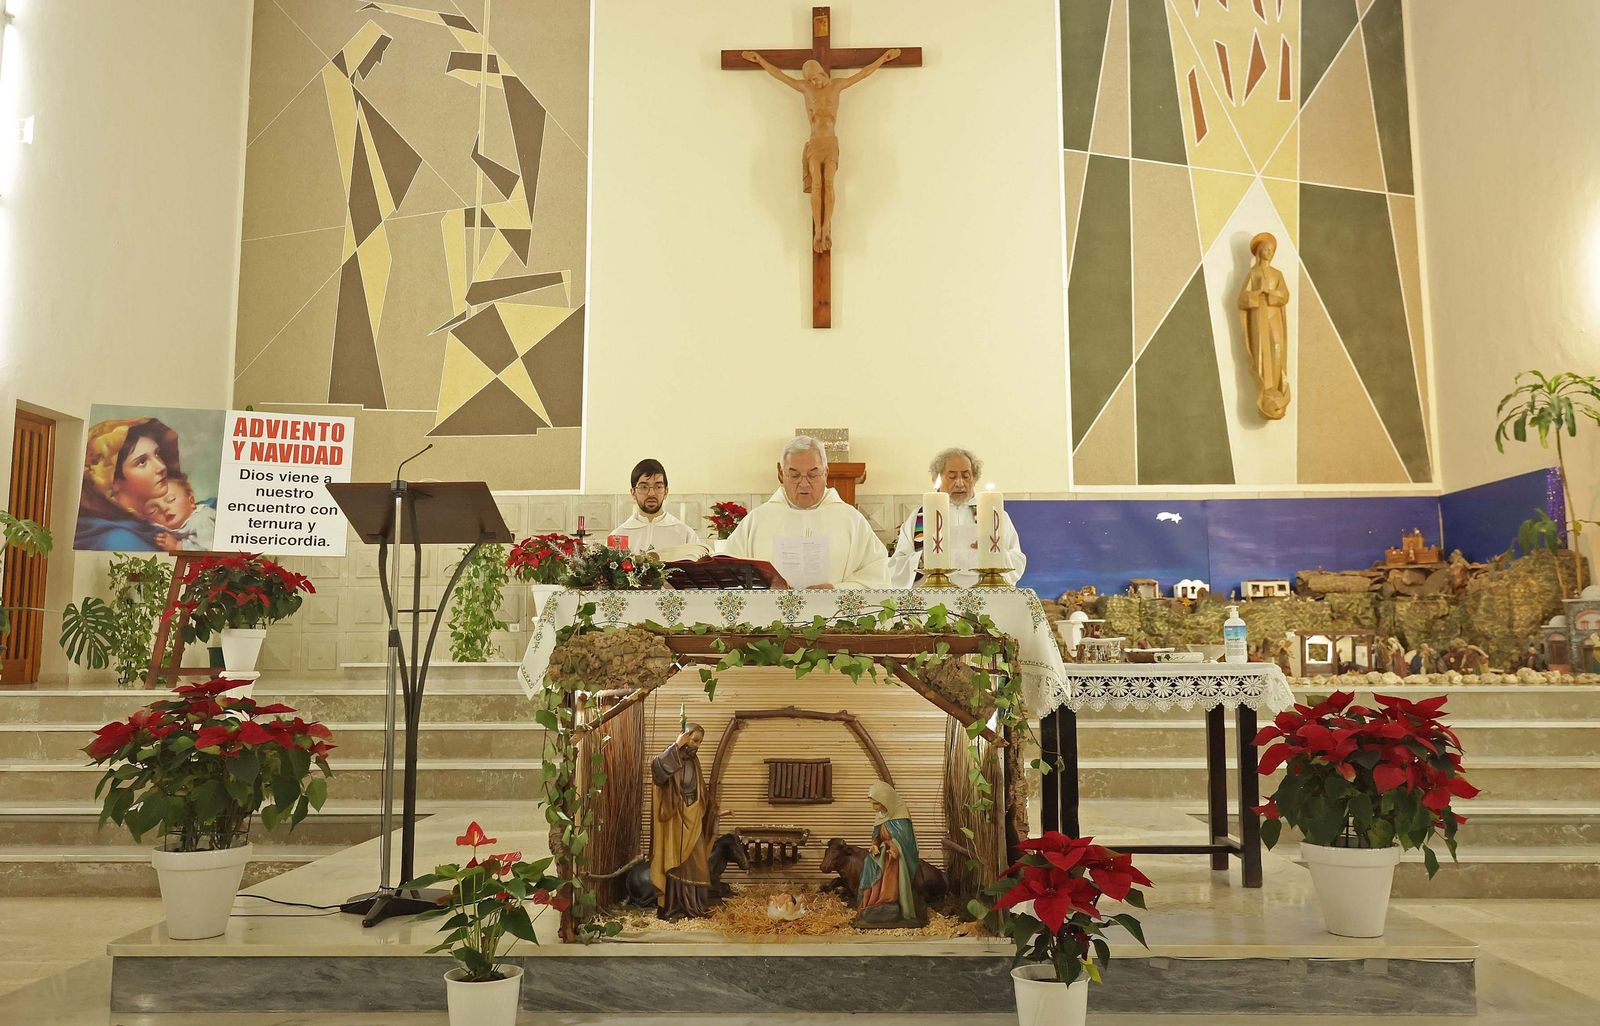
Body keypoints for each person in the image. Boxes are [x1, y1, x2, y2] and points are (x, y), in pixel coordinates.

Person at [741, 47, 901, 252]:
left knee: (828, 182)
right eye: (811, 81)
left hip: (830, 143)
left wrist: (884, 58)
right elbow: (780, 76)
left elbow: (863, 73)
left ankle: (827, 228)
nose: (816, 83)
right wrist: (760, 60)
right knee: (817, 184)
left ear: (823, 73)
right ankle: (818, 229)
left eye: (817, 78)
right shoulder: (806, 89)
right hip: (815, 144)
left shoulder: (837, 85)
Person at [724, 436, 888, 589]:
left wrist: (836, 590)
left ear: (826, 473)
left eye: (813, 474)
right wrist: (765, 589)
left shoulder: (851, 520)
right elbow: (728, 574)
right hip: (770, 616)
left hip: (835, 616)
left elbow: (878, 575)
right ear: (781, 474)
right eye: (794, 475)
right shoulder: (757, 520)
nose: (804, 483)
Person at [888, 447, 1027, 588]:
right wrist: (924, 559)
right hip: (933, 599)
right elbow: (896, 566)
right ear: (937, 478)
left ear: (974, 478)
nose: (960, 483)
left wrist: (992, 554)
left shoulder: (994, 515)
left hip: (984, 599)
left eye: (966, 476)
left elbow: (1017, 562)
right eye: (952, 476)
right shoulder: (920, 517)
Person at [74, 418, 188, 551]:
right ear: (112, 481)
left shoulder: (150, 524)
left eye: (157, 454)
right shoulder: (119, 540)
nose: (161, 466)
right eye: (142, 462)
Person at [649, 724, 712, 919]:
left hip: (694, 815)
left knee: (697, 861)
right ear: (684, 738)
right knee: (674, 861)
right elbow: (657, 769)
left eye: (700, 741)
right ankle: (673, 908)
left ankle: (696, 907)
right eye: (694, 740)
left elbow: (701, 791)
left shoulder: (695, 762)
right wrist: (676, 746)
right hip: (676, 818)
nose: (697, 745)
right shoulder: (672, 757)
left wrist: (714, 811)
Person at [855, 781, 926, 928]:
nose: (874, 807)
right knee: (869, 861)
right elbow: (877, 836)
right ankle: (870, 902)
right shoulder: (880, 816)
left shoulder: (901, 816)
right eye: (873, 803)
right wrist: (874, 845)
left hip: (897, 857)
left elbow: (906, 843)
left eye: (876, 804)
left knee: (889, 865)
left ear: (885, 801)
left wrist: (894, 847)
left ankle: (888, 900)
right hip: (883, 850)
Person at [609, 459, 700, 553]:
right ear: (633, 492)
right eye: (644, 487)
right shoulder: (618, 536)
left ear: (666, 491)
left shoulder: (685, 535)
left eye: (658, 487)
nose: (651, 493)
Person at [144, 478, 217, 553]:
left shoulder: (202, 519)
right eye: (153, 510)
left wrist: (178, 546)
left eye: (171, 499)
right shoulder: (159, 529)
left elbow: (210, 549)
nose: (163, 508)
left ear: (191, 501)